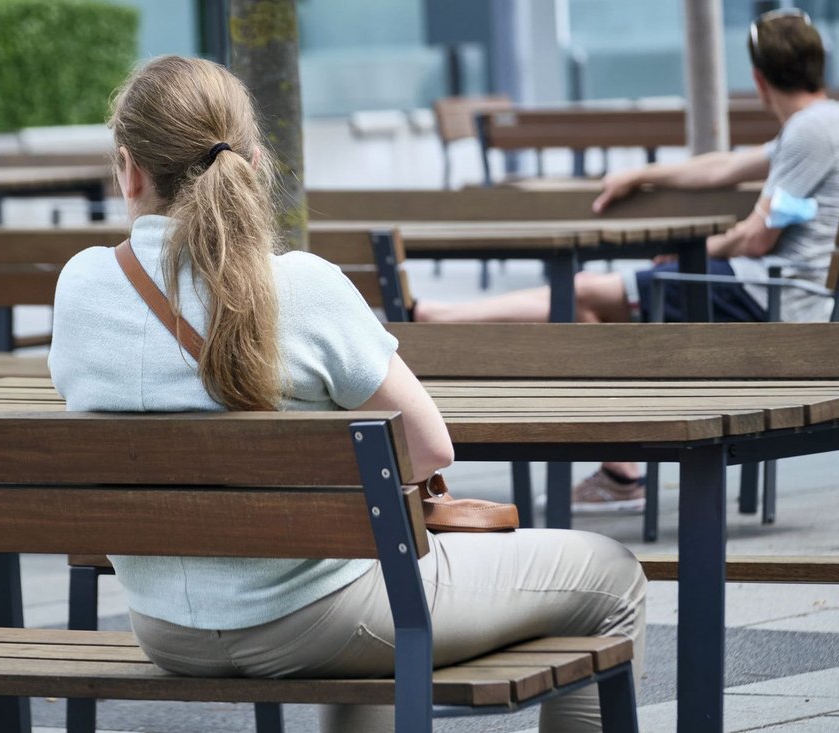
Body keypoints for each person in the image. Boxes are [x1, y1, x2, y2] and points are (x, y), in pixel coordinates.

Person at [48, 56, 645, 732]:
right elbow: (428, 448)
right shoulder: (302, 288)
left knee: (358, 572)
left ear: (129, 171)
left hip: (165, 628)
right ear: (250, 160)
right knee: (612, 576)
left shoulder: (81, 288)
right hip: (318, 622)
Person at [415, 10, 839, 514]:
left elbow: (757, 238)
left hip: (774, 301)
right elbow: (722, 165)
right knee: (588, 311)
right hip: (776, 294)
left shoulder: (811, 131)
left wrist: (694, 249)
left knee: (585, 291)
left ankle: (438, 321)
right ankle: (620, 473)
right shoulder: (826, 123)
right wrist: (643, 175)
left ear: (758, 79)